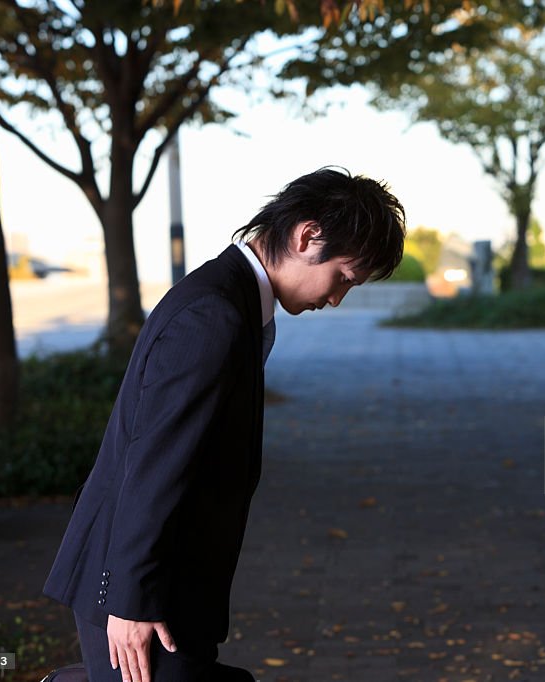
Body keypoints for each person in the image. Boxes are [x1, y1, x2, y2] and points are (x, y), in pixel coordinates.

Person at [43, 167, 406, 682]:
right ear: (307, 236)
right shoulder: (213, 315)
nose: (336, 298)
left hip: (170, 585)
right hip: (140, 595)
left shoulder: (231, 301)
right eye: (344, 277)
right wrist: (129, 601)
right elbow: (154, 464)